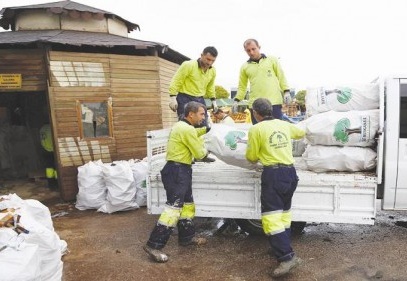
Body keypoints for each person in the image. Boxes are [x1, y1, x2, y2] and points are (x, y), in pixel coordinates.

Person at [143, 101, 210, 263]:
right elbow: (200, 153)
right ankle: (154, 245)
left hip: (181, 169)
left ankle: (187, 237)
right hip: (177, 171)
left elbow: (193, 133)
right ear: (191, 114)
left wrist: (205, 130)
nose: (204, 117)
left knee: (187, 205)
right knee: (173, 208)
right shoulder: (186, 129)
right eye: (201, 114)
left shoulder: (182, 126)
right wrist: (207, 152)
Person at [245, 98, 305, 278]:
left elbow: (252, 156)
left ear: (256, 113)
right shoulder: (284, 124)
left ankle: (287, 257)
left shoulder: (256, 129)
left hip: (274, 175)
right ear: (271, 110)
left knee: (271, 218)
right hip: (290, 174)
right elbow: (301, 132)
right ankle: (281, 246)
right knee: (284, 215)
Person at [233, 39, 291, 123]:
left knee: (277, 130)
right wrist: (236, 100)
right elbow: (242, 87)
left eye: (253, 49)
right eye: (248, 50)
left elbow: (281, 76)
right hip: (255, 105)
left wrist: (286, 91)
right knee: (259, 132)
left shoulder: (272, 60)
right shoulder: (244, 67)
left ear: (259, 47)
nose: (251, 52)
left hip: (273, 103)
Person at [168, 46, 218, 127]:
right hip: (185, 98)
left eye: (213, 60)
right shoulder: (188, 65)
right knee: (185, 126)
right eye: (208, 59)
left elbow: (210, 87)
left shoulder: (212, 71)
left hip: (200, 99)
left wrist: (214, 101)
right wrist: (172, 97)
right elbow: (176, 81)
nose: (210, 63)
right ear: (202, 55)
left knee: (203, 125)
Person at [40, 124, 58, 188]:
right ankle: (58, 183)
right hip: (53, 150)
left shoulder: (42, 128)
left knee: (49, 168)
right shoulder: (50, 128)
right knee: (56, 167)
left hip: (45, 149)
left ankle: (51, 184)